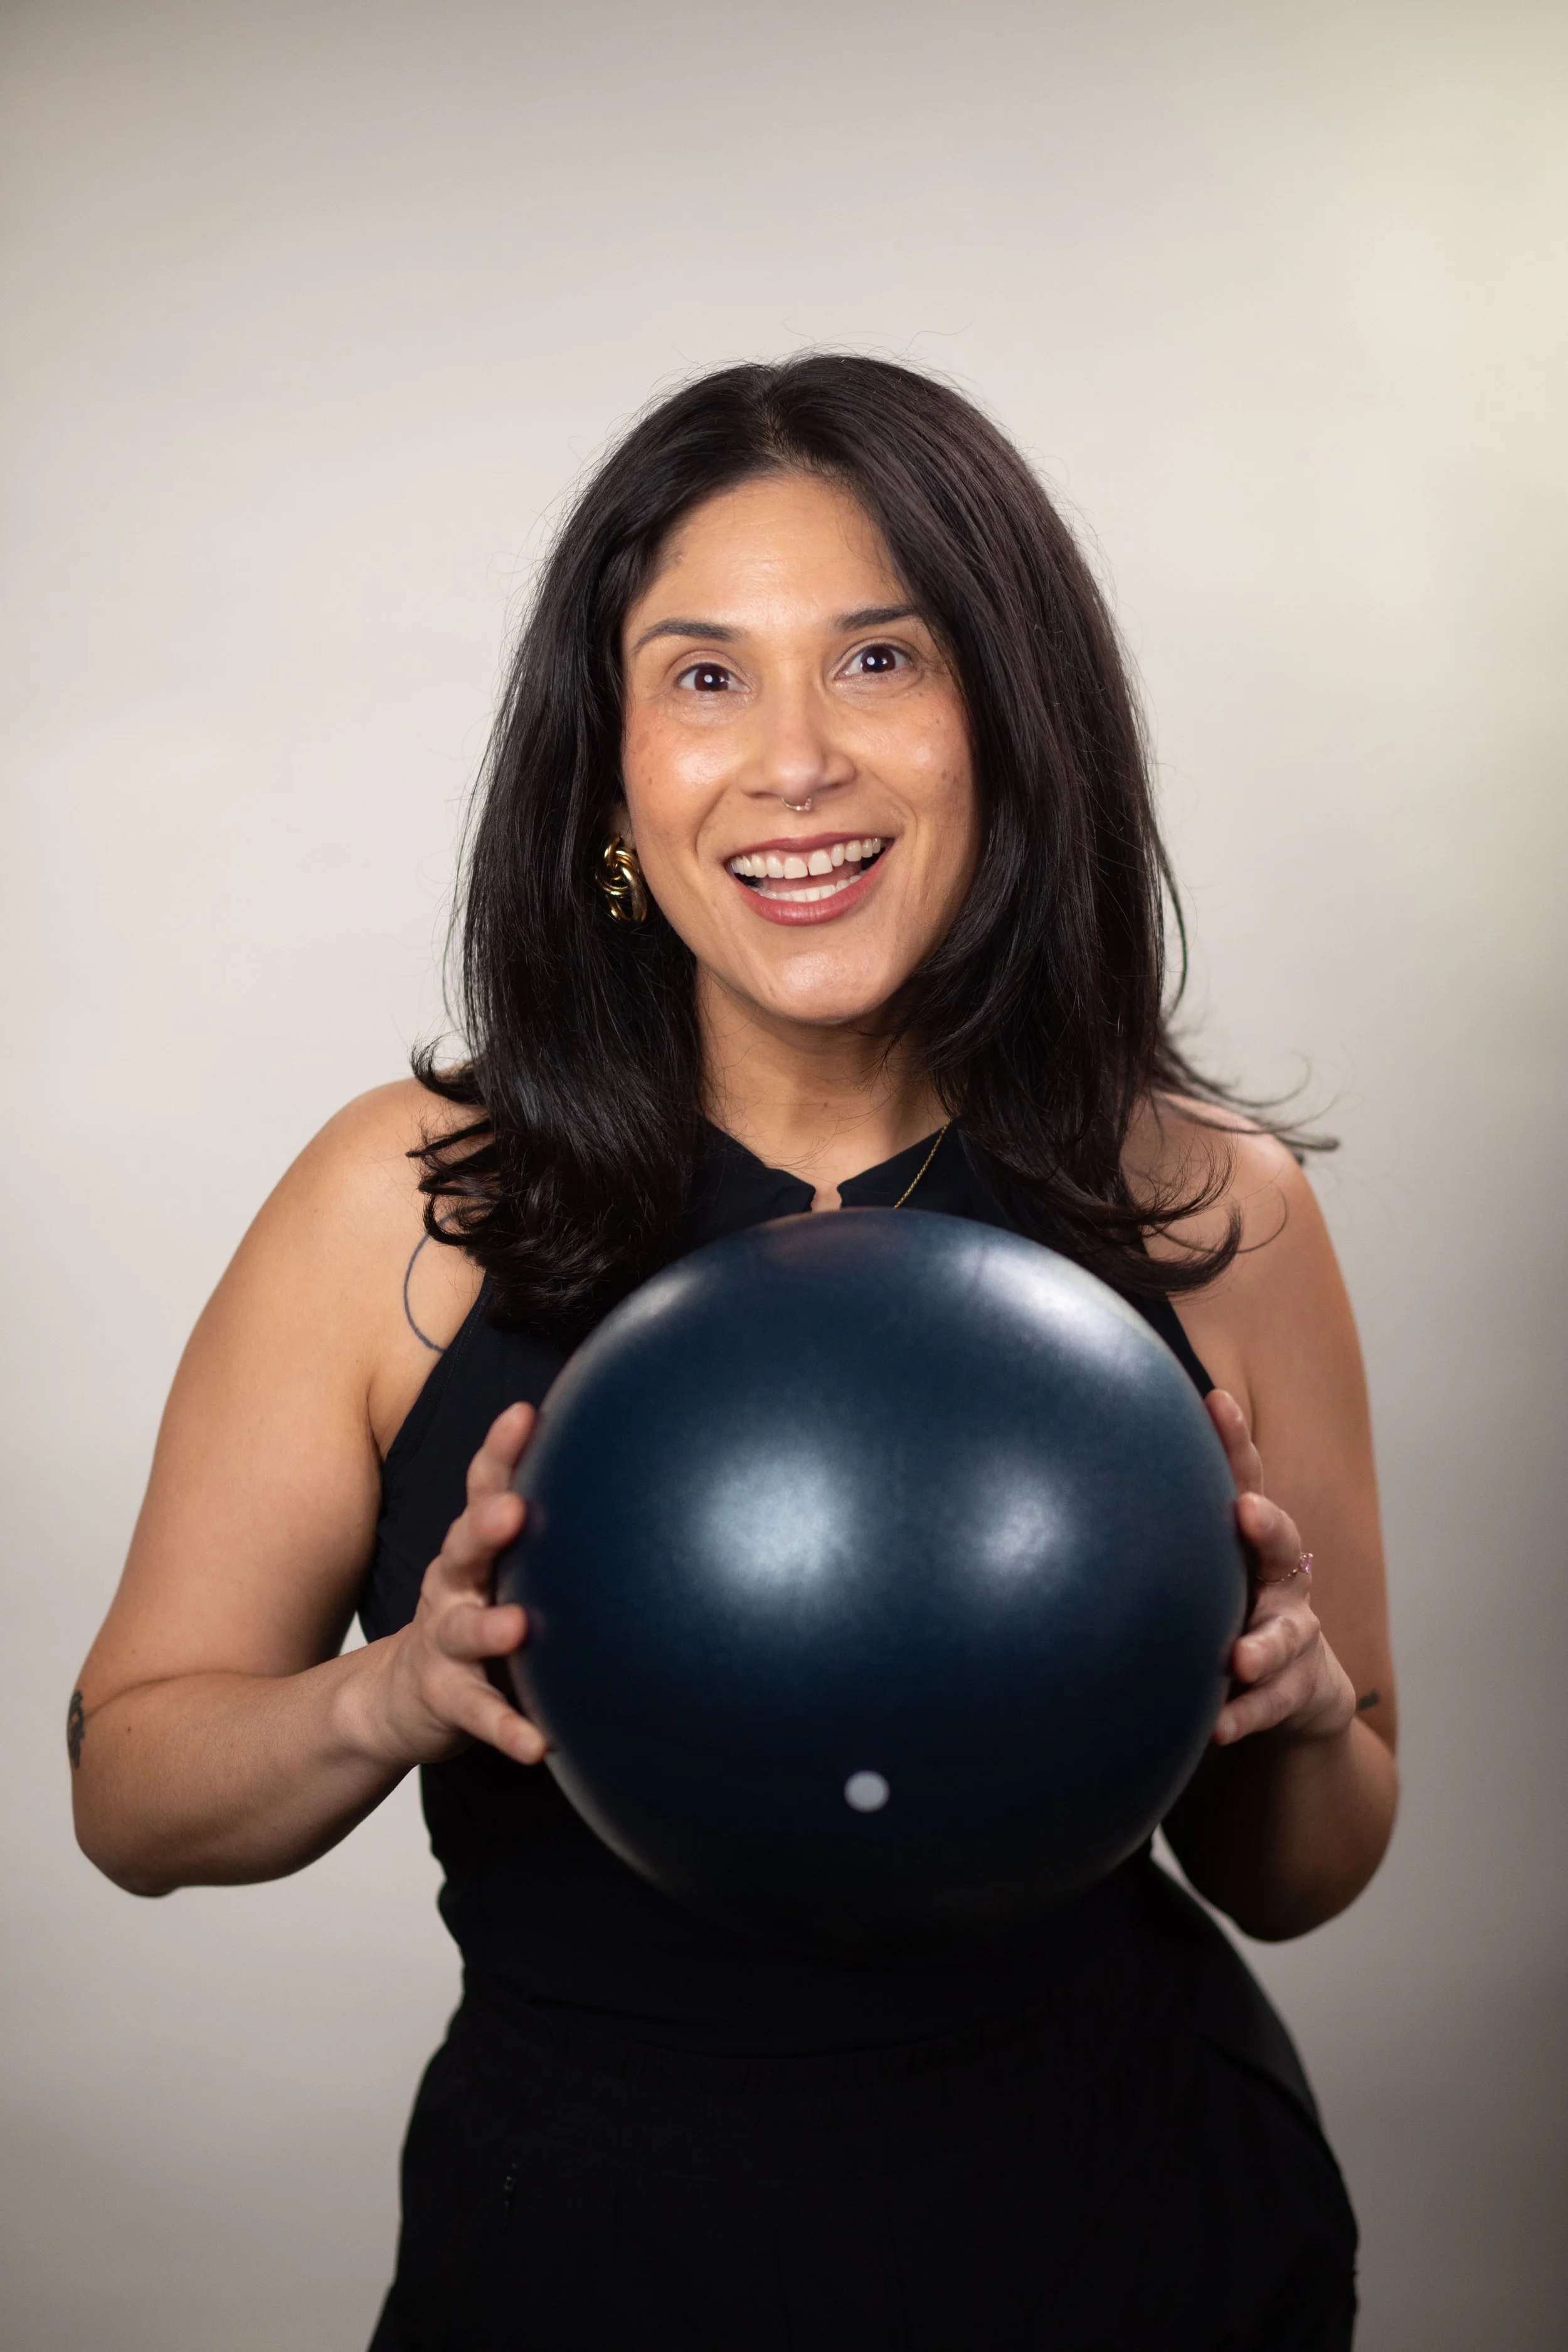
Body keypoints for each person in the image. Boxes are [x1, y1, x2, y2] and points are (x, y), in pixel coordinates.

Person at [70, 356, 1397, 2351]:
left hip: (1126, 2228)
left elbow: (1307, 1868)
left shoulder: (1210, 1207)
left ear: (1010, 730)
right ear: (610, 777)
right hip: (600, 2241)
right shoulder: (406, 1204)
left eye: (880, 661)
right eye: (702, 677)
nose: (793, 760)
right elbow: (132, 1788)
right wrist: (393, 1694)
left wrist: (1291, 1710)